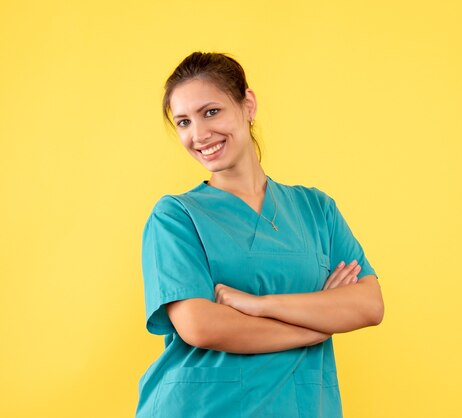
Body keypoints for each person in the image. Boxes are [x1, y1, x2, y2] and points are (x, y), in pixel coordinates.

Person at [135, 51, 384, 418]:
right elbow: (200, 326)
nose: (199, 135)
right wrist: (317, 325)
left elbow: (369, 305)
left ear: (247, 105)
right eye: (184, 121)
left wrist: (257, 305)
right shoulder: (176, 216)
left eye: (211, 112)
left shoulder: (316, 210)